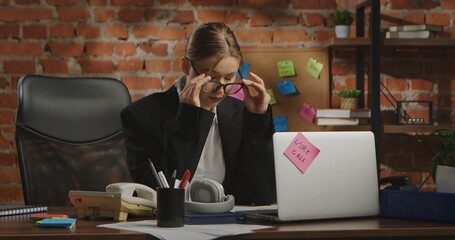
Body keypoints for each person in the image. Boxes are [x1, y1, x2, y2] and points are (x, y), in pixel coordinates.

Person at [121, 22, 276, 205]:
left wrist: (257, 122)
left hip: (228, 225)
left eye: (229, 77)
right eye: (211, 77)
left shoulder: (240, 113)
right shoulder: (141, 116)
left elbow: (262, 196)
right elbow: (156, 193)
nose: (220, 89)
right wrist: (190, 118)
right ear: (187, 66)